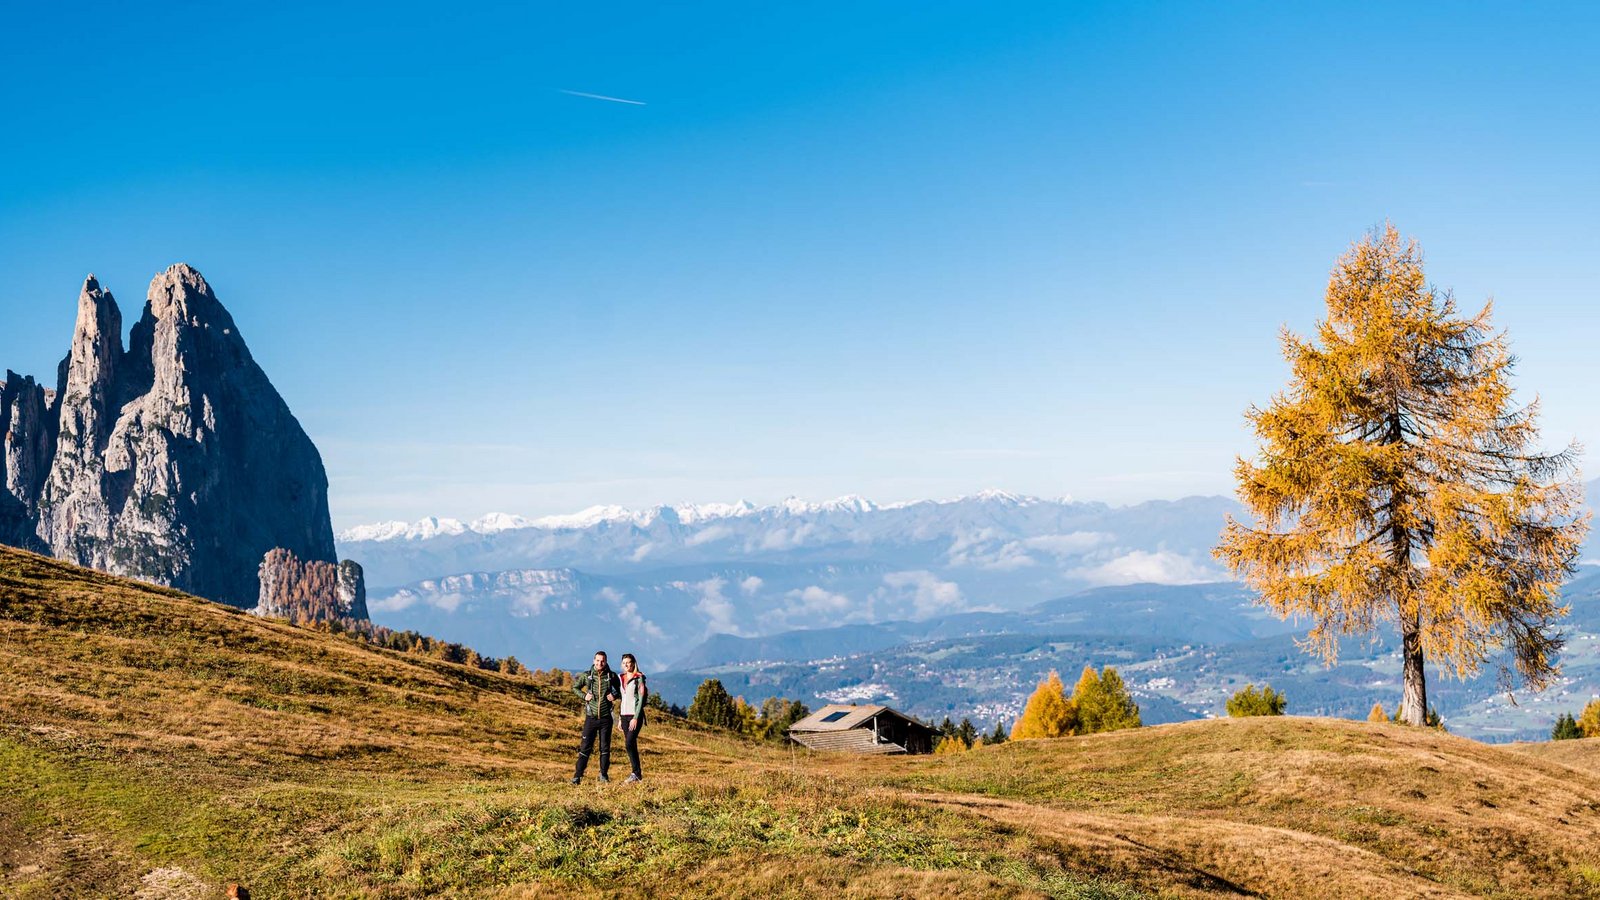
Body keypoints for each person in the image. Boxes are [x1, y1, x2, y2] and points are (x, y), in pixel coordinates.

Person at [571, 650, 620, 784]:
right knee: (585, 747)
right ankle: (577, 776)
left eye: (602, 661)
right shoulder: (587, 676)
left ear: (606, 661)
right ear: (594, 661)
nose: (600, 663)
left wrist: (614, 696)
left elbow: (621, 692)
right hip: (591, 717)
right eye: (598, 660)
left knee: (605, 748)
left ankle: (603, 775)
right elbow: (575, 688)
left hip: (606, 718)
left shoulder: (612, 676)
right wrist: (584, 696)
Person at [617, 653, 649, 783]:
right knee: (631, 744)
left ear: (633, 663)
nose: (626, 665)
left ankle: (636, 773)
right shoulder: (621, 678)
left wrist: (636, 717)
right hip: (624, 716)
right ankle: (637, 774)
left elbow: (641, 699)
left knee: (629, 742)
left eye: (628, 662)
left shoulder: (639, 678)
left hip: (634, 716)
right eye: (624, 663)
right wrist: (619, 717)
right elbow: (623, 699)